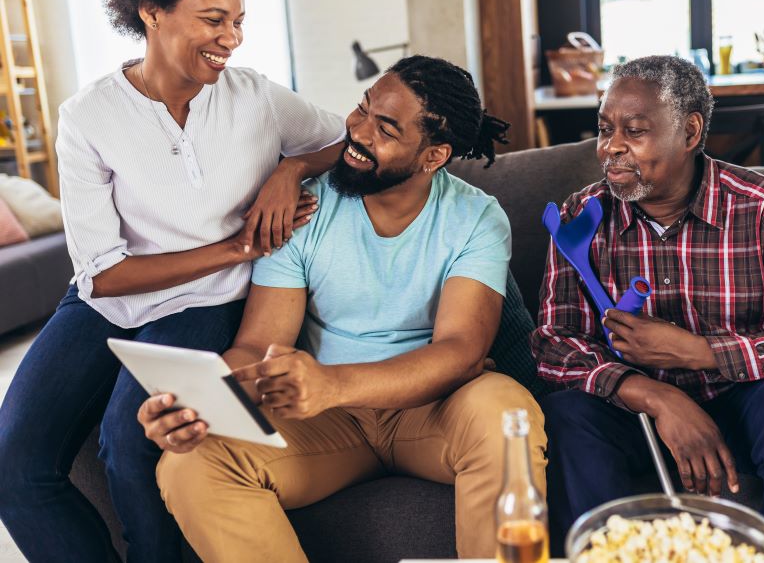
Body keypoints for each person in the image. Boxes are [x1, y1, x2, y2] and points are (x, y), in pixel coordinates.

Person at [0, 0, 345, 562]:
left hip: (204, 306)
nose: (231, 37)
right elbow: (103, 272)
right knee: (14, 463)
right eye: (213, 19)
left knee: (130, 444)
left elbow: (342, 140)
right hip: (105, 302)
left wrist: (291, 167)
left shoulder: (257, 99)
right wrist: (237, 247)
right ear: (152, 10)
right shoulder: (89, 116)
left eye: (239, 20)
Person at [143, 55, 546, 561]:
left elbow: (462, 351)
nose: (357, 131)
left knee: (505, 410)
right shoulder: (305, 209)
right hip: (327, 423)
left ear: (433, 156)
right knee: (189, 464)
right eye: (362, 108)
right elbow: (255, 345)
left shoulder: (476, 218)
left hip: (433, 412)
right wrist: (196, 401)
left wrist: (332, 384)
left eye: (386, 128)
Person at [532, 55, 764, 556]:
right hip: (634, 413)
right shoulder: (582, 217)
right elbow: (554, 345)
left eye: (635, 131)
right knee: (567, 415)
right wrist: (654, 395)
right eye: (605, 129)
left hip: (745, 403)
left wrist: (702, 351)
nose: (611, 148)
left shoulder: (763, 209)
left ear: (690, 132)